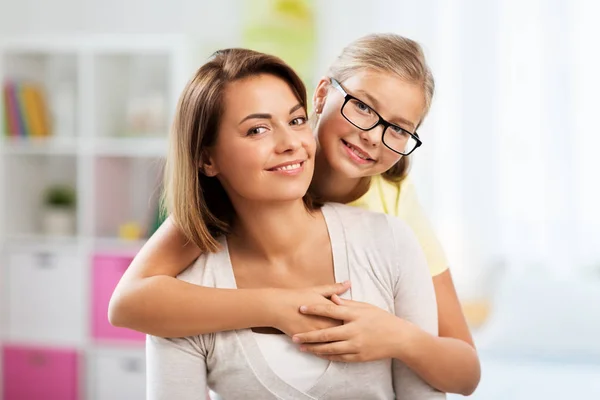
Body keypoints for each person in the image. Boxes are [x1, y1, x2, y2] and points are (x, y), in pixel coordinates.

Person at [112, 34, 480, 396]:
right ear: (321, 95)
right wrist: (275, 306)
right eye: (364, 107)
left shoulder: (394, 222)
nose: (372, 135)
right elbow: (130, 301)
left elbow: (463, 371)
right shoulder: (240, 190)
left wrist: (399, 338)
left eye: (398, 129)